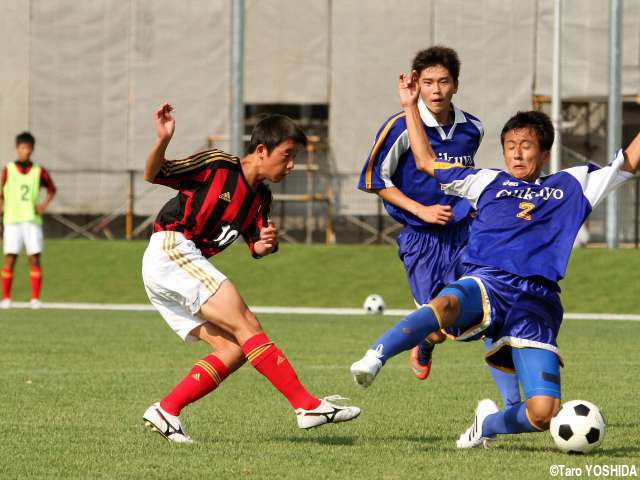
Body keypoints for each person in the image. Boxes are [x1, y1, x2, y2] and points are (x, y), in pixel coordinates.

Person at [351, 73, 640, 448]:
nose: (517, 153)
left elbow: (629, 161)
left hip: (538, 301)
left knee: (542, 413)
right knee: (446, 302)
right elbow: (424, 161)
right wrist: (409, 106)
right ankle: (376, 356)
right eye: (510, 145)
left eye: (526, 146)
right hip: (487, 280)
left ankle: (487, 425)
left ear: (544, 152)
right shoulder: (486, 180)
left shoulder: (574, 184)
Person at [141, 103, 360, 443]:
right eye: (286, 156)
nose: (291, 166)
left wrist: (266, 244)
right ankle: (305, 405)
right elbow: (154, 173)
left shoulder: (260, 200)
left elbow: (256, 246)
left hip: (177, 265)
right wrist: (163, 140)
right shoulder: (217, 165)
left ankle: (166, 410)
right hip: (171, 249)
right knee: (247, 324)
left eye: (294, 158)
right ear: (261, 150)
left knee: (235, 348)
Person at [357, 46, 519, 407]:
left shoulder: (472, 128)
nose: (435, 89)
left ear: (455, 85)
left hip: (465, 235)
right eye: (427, 82)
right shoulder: (399, 126)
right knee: (440, 326)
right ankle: (426, 342)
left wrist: (475, 209)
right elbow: (374, 178)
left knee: (488, 309)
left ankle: (513, 405)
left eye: (443, 81)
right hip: (421, 239)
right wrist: (422, 209)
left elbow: (464, 176)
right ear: (416, 84)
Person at [1, 132, 56, 309]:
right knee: (10, 258)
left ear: (32, 149)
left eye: (28, 148)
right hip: (12, 220)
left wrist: (42, 205)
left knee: (34, 258)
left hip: (32, 220)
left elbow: (52, 190)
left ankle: (35, 298)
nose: (25, 151)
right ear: (17, 148)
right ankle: (7, 298)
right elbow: (1, 193)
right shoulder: (8, 170)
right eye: (22, 147)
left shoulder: (39, 171)